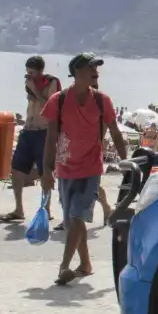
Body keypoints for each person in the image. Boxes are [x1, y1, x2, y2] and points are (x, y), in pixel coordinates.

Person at [42, 53, 126, 285]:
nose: (96, 71)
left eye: (96, 67)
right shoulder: (57, 100)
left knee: (77, 215)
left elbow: (116, 132)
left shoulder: (102, 100)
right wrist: (46, 171)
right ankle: (86, 264)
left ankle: (64, 267)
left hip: (91, 168)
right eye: (91, 67)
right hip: (65, 168)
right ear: (77, 72)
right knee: (71, 221)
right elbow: (50, 138)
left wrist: (126, 162)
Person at [1, 56, 62, 223]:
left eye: (31, 72)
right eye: (27, 72)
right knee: (16, 169)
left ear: (39, 70)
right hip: (28, 130)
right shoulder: (30, 84)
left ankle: (46, 209)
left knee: (45, 172)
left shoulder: (51, 83)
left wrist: (35, 90)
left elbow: (49, 106)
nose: (28, 75)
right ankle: (18, 208)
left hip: (44, 132)